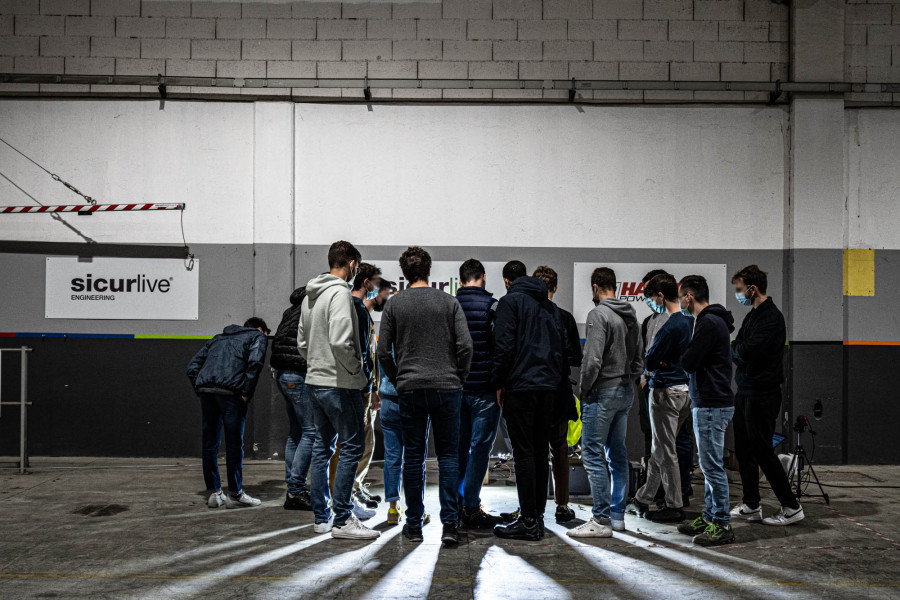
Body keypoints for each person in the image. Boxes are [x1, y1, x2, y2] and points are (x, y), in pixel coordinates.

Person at [377, 246, 474, 545]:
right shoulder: (449, 302)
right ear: (429, 272)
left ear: (404, 275)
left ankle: (414, 525)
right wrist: (459, 377)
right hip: (447, 388)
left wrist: (398, 379)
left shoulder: (394, 305)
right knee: (448, 457)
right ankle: (450, 527)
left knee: (414, 458)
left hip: (410, 389)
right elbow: (466, 346)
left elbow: (382, 351)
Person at [298, 240, 380, 540]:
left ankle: (322, 518)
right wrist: (359, 377)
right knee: (352, 447)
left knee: (322, 448)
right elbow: (342, 342)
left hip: (315, 381)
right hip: (340, 384)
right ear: (352, 265)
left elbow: (302, 343)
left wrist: (317, 366)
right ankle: (343, 519)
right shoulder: (341, 296)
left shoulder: (311, 296)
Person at [491, 260, 567, 542]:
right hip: (548, 388)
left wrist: (498, 383)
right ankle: (537, 517)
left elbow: (503, 347)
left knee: (524, 453)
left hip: (521, 388)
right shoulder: (548, 306)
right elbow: (559, 349)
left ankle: (528, 520)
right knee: (539, 453)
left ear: (509, 281)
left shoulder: (510, 303)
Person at [568, 267, 642, 538]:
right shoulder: (631, 316)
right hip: (624, 391)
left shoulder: (598, 314)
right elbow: (639, 359)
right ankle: (616, 516)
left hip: (602, 393)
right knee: (617, 454)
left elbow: (592, 360)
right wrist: (626, 381)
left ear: (597, 287)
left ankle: (600, 520)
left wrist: (585, 389)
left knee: (591, 454)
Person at [729, 265, 803, 526]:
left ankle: (791, 507)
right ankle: (751, 504)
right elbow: (738, 347)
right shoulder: (753, 315)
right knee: (744, 451)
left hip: (762, 394)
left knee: (761, 451)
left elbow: (744, 351)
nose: (738, 294)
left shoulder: (771, 318)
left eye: (739, 290)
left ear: (752, 288)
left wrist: (737, 349)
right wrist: (738, 348)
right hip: (746, 392)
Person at [676, 275, 736, 546]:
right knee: (708, 464)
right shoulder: (711, 321)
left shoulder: (708, 323)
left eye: (680, 296)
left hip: (712, 404)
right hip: (711, 401)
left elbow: (689, 360)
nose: (679, 302)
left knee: (711, 466)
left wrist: (680, 357)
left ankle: (722, 524)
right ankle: (711, 515)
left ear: (689, 296)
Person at [187, 317, 269, 510]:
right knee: (234, 444)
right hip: (232, 394)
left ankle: (215, 493)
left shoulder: (218, 338)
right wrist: (246, 394)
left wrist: (200, 388)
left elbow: (192, 367)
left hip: (207, 391)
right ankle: (235, 495)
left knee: (210, 443)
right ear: (259, 329)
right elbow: (255, 364)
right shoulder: (257, 337)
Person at [631, 274, 693, 523]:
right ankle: (644, 497)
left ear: (660, 296)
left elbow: (650, 360)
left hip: (665, 391)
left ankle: (673, 504)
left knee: (666, 452)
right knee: (660, 448)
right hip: (686, 391)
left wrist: (659, 361)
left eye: (649, 298)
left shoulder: (671, 325)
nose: (649, 303)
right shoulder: (691, 321)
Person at [324, 262, 381, 520]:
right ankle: (343, 499)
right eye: (375, 282)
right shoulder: (354, 308)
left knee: (361, 443)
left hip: (358, 385)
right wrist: (366, 385)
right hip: (356, 387)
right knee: (351, 445)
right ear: (365, 282)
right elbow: (358, 354)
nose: (377, 288)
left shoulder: (356, 308)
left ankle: (350, 491)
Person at [455, 258, 504, 529]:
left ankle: (458, 505)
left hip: (456, 390)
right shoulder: (492, 306)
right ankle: (471, 506)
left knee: (459, 449)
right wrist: (499, 385)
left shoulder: (451, 305)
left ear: (460, 280)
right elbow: (499, 350)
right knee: (480, 449)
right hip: (485, 391)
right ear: (483, 277)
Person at [532, 265, 583, 524]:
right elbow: (576, 357)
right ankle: (562, 506)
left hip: (533, 392)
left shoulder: (528, 316)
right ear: (555, 287)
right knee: (559, 449)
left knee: (534, 452)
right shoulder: (565, 317)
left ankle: (534, 508)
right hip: (559, 391)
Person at [270, 286, 314, 511]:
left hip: (283, 374)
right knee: (311, 431)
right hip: (298, 373)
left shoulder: (290, 310)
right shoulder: (310, 308)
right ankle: (296, 491)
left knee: (296, 432)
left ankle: (293, 486)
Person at [639, 269, 671, 471]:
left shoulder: (675, 320)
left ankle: (676, 490)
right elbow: (644, 352)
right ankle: (651, 484)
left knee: (669, 439)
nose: (647, 297)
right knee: (648, 433)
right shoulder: (648, 321)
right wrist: (643, 379)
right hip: (647, 385)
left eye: (650, 292)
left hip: (667, 387)